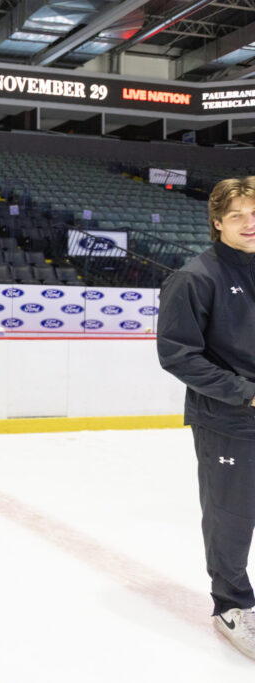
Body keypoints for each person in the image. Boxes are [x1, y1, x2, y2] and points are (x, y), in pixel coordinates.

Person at [157, 176, 255, 661]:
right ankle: (231, 605)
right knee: (231, 516)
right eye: (237, 215)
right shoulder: (195, 277)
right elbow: (178, 355)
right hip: (228, 420)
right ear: (218, 222)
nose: (249, 223)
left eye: (254, 213)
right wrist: (245, 394)